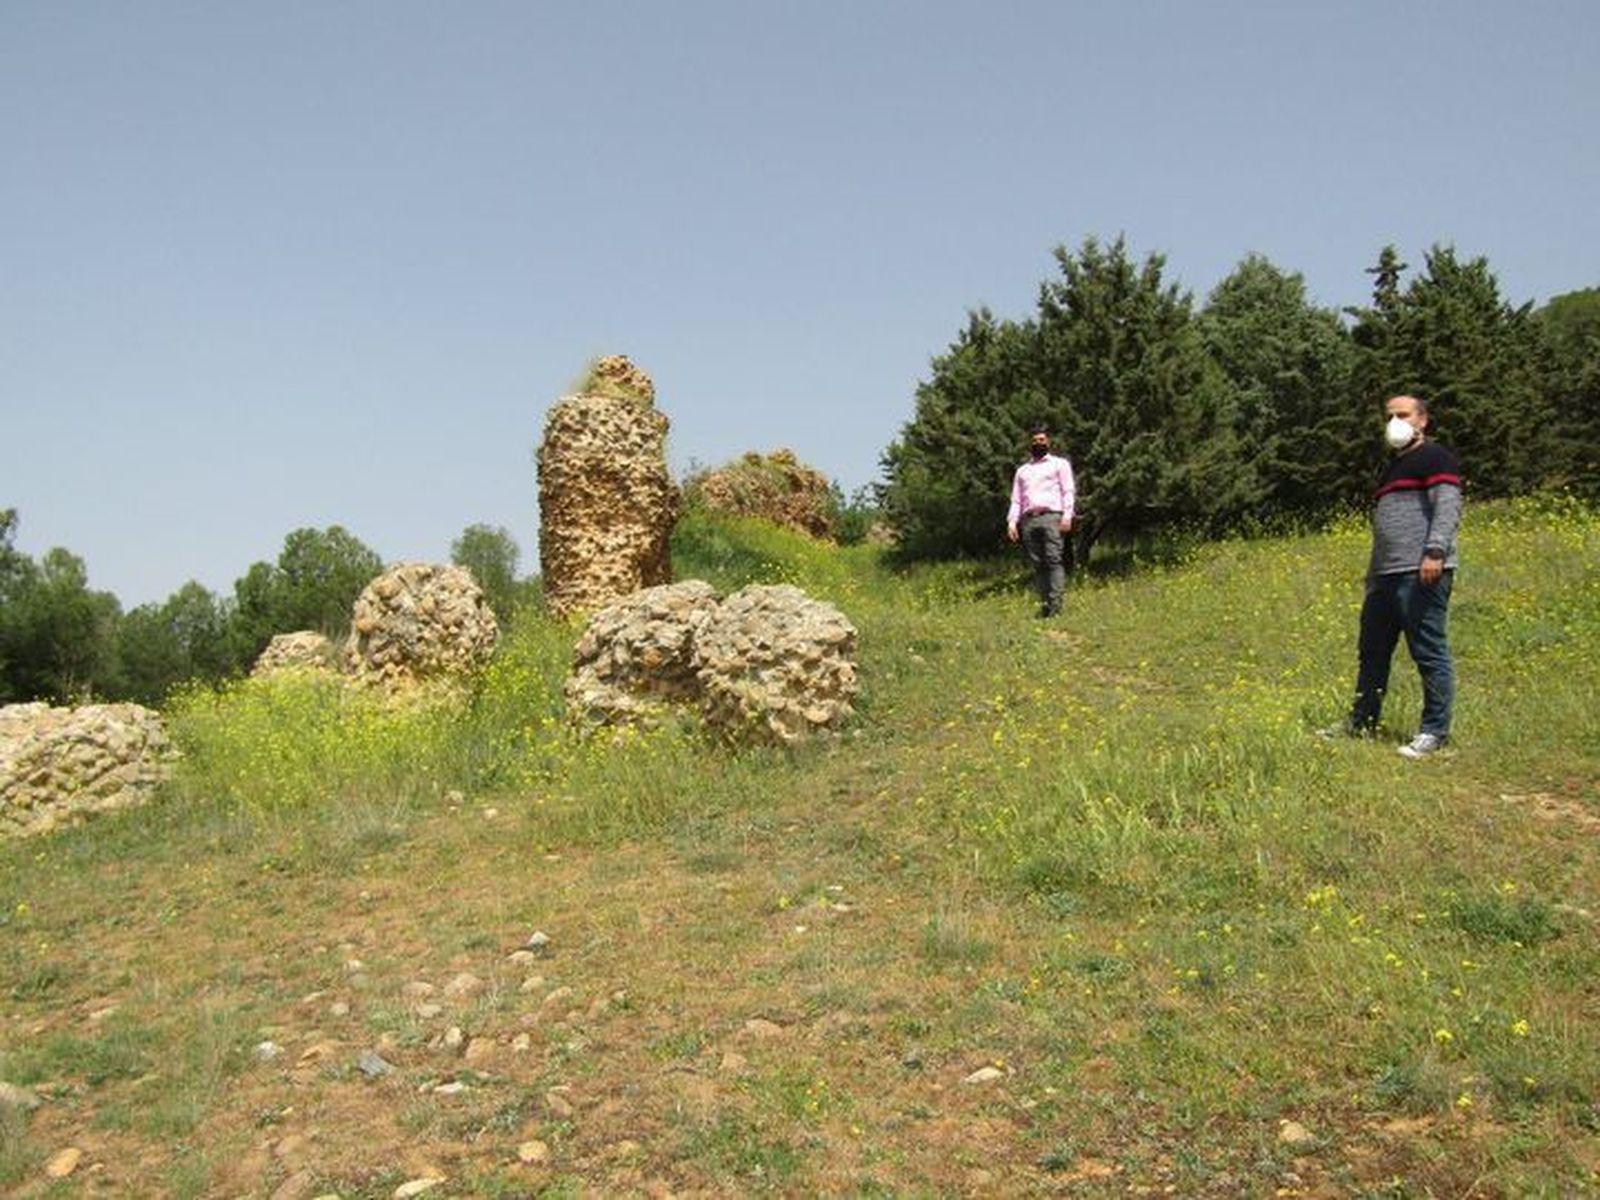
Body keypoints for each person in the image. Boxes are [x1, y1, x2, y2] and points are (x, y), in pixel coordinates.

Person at [1326, 394, 1463, 758]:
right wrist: (1372, 575)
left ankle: (1434, 732)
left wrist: (1434, 553)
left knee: (1428, 652)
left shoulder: (1436, 457)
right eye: (1389, 416)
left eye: (1403, 415)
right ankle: (1362, 721)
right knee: (1372, 652)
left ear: (1423, 421)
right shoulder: (1390, 468)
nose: (1395, 422)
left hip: (1422, 572)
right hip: (1385, 576)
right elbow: (1385, 528)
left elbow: (1447, 507)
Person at [1006, 426, 1076, 617]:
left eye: (1042, 440)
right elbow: (1017, 499)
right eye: (1035, 440)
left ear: (1048, 442)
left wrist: (1067, 515)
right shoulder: (1022, 471)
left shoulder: (1059, 465)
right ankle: (1045, 605)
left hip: (1052, 517)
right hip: (1029, 521)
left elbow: (1067, 490)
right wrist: (1012, 522)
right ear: (1030, 443)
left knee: (1053, 560)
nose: (1038, 443)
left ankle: (1055, 606)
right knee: (1038, 564)